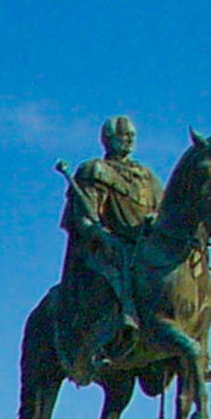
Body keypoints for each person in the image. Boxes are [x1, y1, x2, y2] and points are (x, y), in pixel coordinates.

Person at [60, 115, 162, 349]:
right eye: (123, 136)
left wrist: (155, 220)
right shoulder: (94, 170)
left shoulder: (146, 176)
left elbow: (163, 210)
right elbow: (81, 219)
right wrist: (99, 233)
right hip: (106, 245)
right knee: (120, 263)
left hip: (143, 242)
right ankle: (124, 319)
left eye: (131, 136)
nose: (128, 141)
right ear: (108, 140)